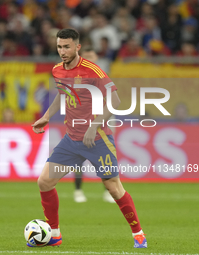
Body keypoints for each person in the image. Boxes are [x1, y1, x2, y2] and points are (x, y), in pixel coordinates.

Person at [30, 28, 147, 248]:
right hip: (71, 140)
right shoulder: (57, 70)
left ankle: (138, 234)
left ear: (77, 47)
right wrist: (46, 116)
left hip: (98, 139)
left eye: (66, 47)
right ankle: (54, 234)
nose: (62, 51)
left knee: (113, 188)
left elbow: (116, 99)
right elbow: (62, 95)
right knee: (44, 182)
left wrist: (94, 125)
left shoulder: (92, 70)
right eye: (59, 47)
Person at [72, 46, 115, 204]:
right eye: (86, 57)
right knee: (78, 157)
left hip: (102, 120)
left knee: (105, 157)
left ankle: (109, 191)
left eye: (92, 56)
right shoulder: (76, 77)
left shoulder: (102, 76)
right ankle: (78, 190)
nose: (89, 59)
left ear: (96, 58)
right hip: (81, 122)